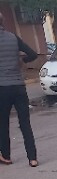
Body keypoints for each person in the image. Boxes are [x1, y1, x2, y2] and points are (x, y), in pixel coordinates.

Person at [0, 13, 39, 167]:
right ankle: (33, 158)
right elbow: (33, 54)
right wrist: (22, 60)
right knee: (25, 123)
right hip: (19, 87)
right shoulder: (13, 38)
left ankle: (6, 156)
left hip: (2, 88)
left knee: (3, 123)